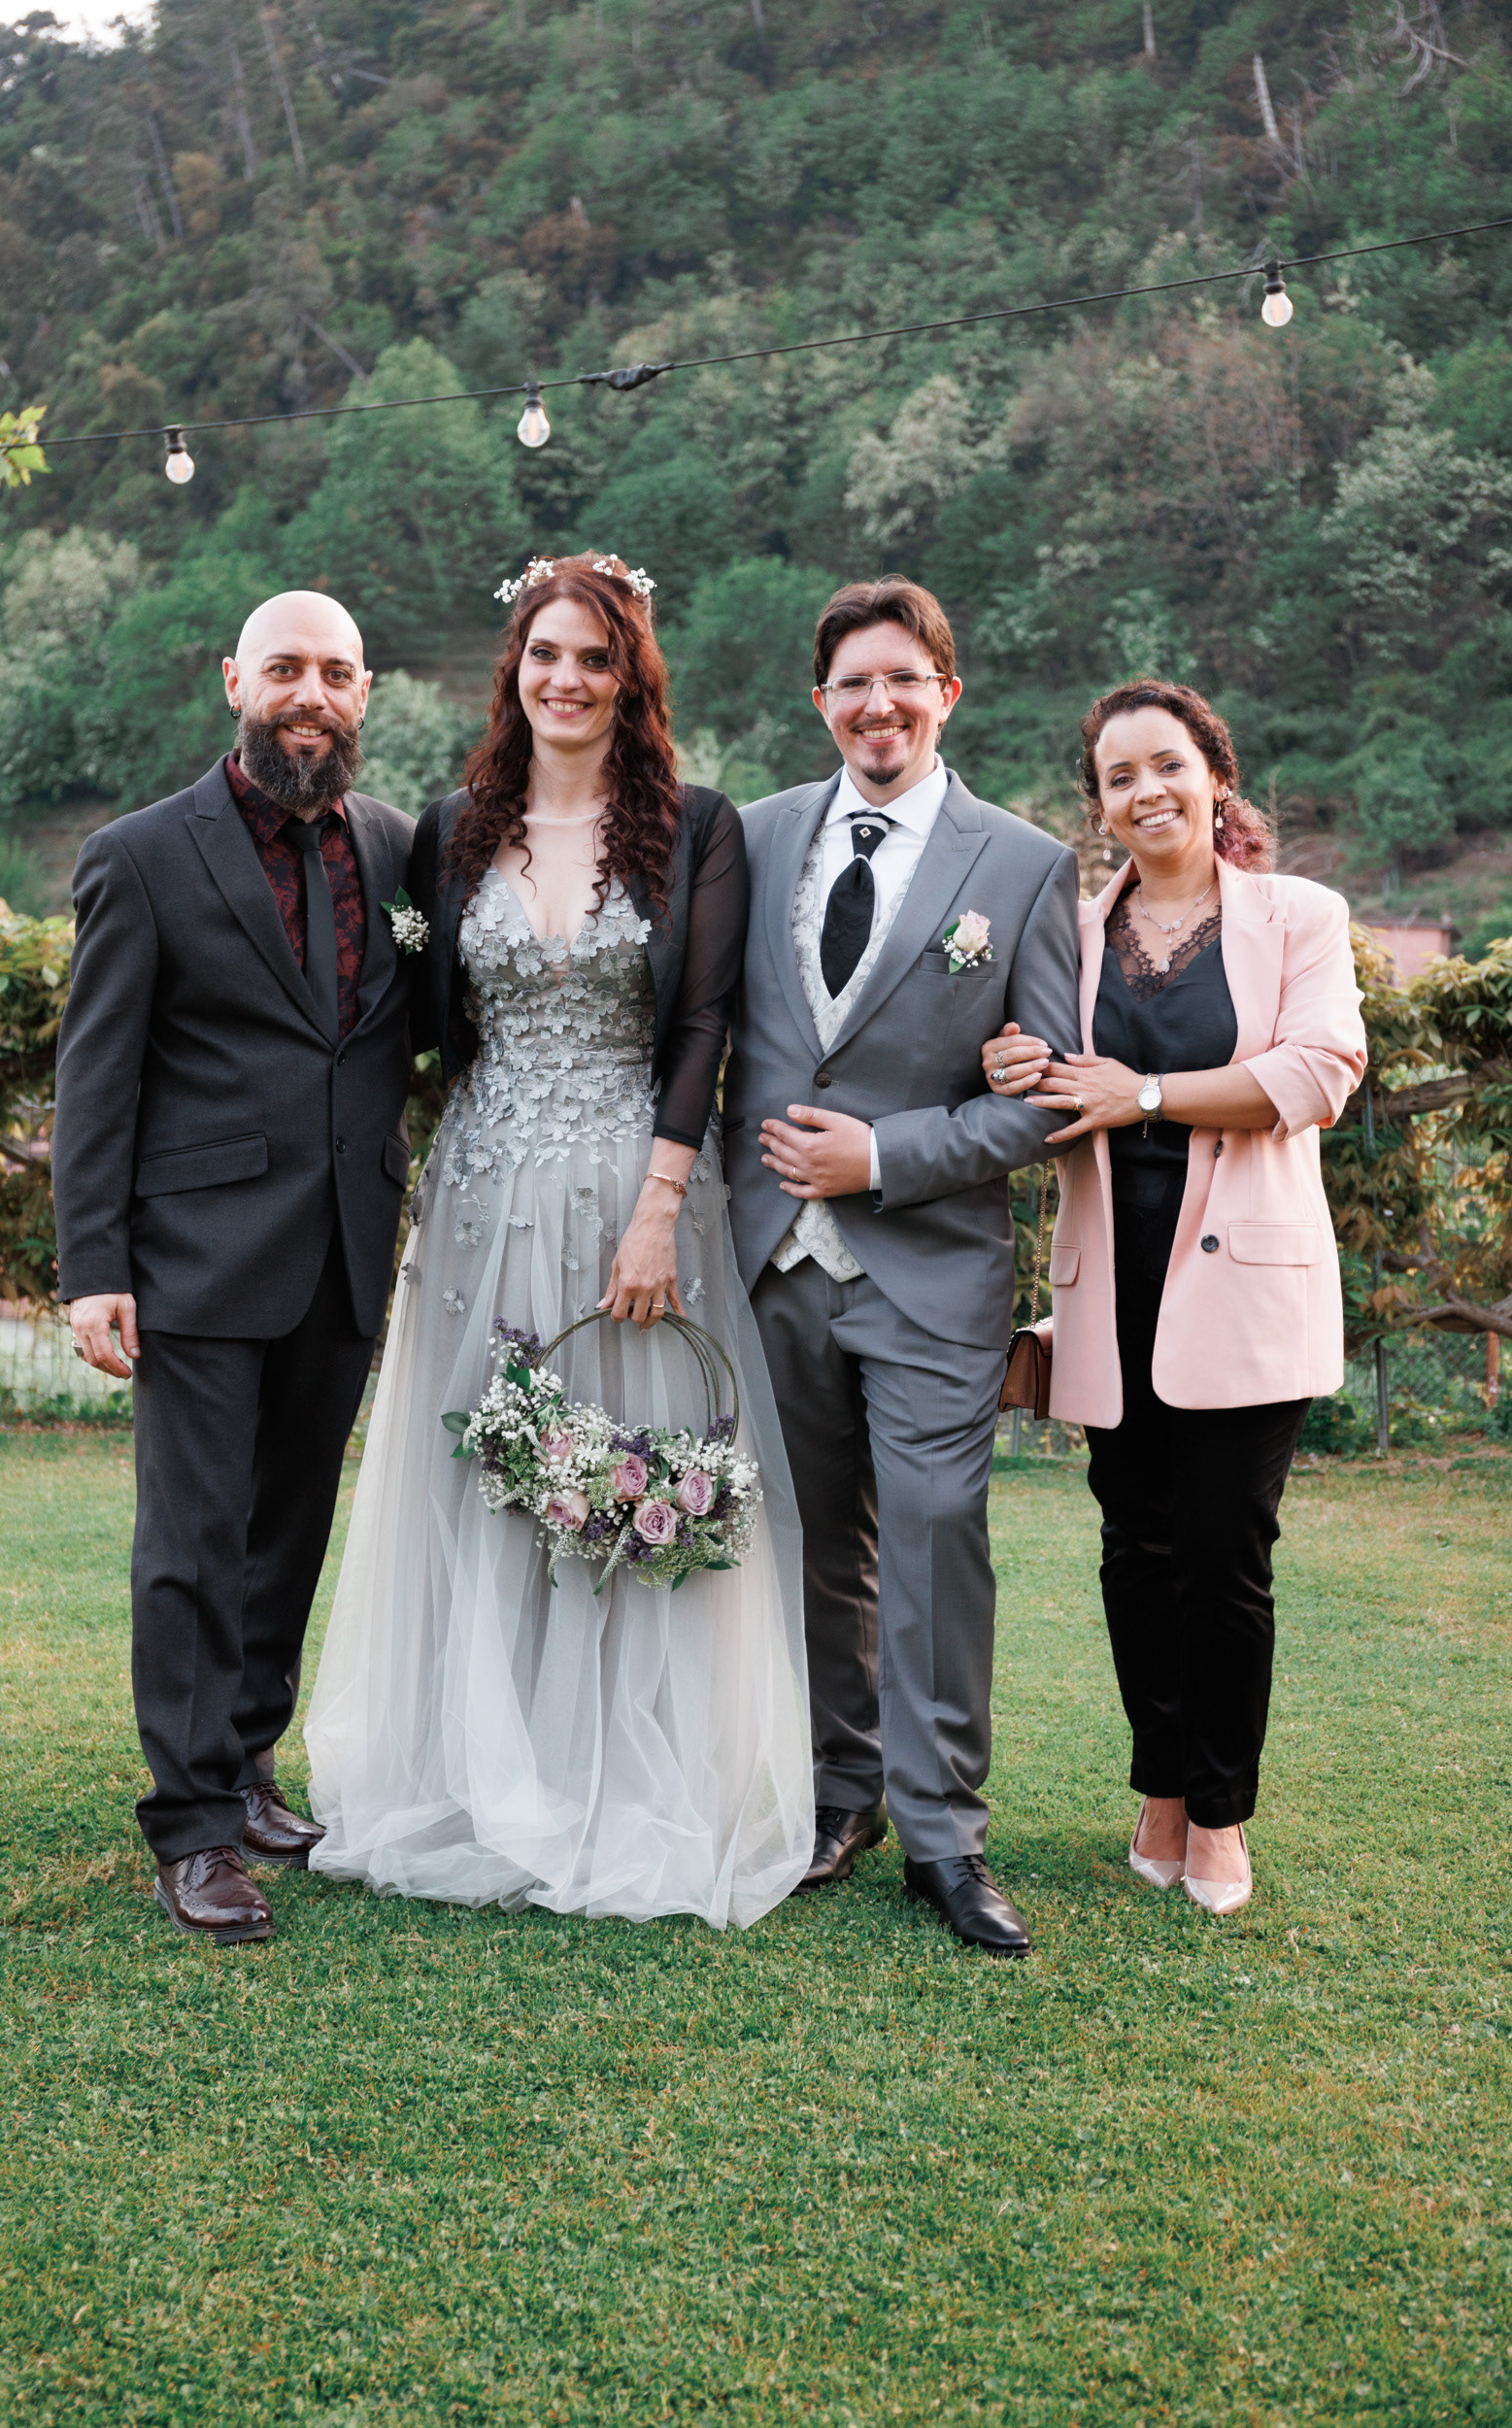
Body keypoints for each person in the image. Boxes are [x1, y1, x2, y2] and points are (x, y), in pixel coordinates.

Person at [303, 554, 812, 1928]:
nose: (566, 679)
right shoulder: (449, 835)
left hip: (633, 1188)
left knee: (622, 1456)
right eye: (544, 654)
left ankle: (625, 1783)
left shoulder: (695, 831)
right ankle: (480, 1771)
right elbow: (416, 992)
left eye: (594, 657)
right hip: (479, 1188)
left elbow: (701, 1023)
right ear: (513, 670)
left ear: (629, 677)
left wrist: (657, 1208)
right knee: (484, 1468)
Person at [723, 578, 1083, 1958]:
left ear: (945, 693)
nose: (876, 706)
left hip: (928, 1269)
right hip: (770, 1261)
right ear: (820, 702)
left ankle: (945, 1840)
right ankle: (841, 1794)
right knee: (813, 1545)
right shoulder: (751, 837)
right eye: (851, 685)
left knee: (934, 1535)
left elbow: (1040, 1102)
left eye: (901, 680)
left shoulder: (1022, 866)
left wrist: (878, 1155)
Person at [53, 590, 418, 1946]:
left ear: (364, 691)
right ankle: (193, 1823)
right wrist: (93, 1264)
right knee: (194, 1544)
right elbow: (96, 1078)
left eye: (334, 672)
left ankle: (249, 1762)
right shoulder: (140, 856)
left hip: (345, 1246)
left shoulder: (400, 850)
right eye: (283, 669)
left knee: (288, 1530)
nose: (308, 694)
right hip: (194, 1255)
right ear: (233, 682)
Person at [984, 679, 1365, 1916]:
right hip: (1111, 1287)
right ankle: (1156, 1786)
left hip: (1245, 1289)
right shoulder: (1066, 929)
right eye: (1117, 776)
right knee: (1133, 1552)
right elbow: (1042, 1084)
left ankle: (1218, 1810)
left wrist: (1142, 1094)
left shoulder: (1297, 916)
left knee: (1222, 1557)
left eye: (1165, 764)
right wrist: (1012, 1066)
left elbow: (1317, 1073)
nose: (1144, 790)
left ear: (1213, 771)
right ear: (1096, 805)